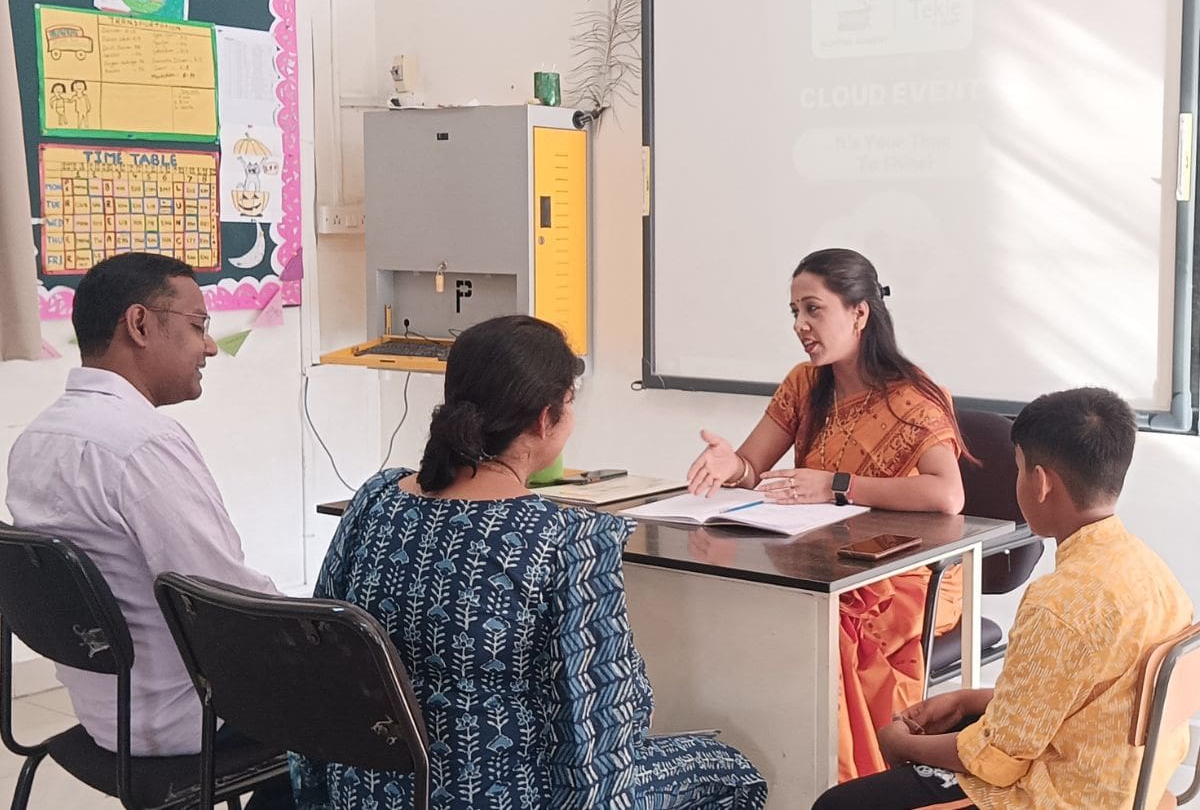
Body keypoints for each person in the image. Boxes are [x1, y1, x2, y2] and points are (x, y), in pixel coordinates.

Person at [292, 315, 767, 810]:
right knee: (734, 773)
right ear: (545, 419)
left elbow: (321, 649)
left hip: (363, 792)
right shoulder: (568, 538)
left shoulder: (375, 498)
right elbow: (602, 729)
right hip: (509, 795)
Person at [811, 387, 1193, 810]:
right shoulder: (1152, 573)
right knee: (963, 726)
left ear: (1041, 482)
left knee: (837, 804)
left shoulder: (1057, 604)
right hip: (1130, 781)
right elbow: (1096, 699)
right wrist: (970, 700)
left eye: (1018, 469)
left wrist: (901, 744)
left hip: (1059, 798)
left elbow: (997, 762)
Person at [5, 252, 293, 808]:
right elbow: (224, 600)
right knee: (372, 711)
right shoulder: (142, 444)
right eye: (198, 326)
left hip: (104, 712)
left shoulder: (37, 438)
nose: (209, 347)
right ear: (139, 324)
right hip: (182, 721)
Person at [687, 248, 967, 781]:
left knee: (826, 625)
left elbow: (946, 495)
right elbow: (754, 465)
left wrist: (837, 487)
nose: (800, 325)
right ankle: (776, 763)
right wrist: (731, 466)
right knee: (759, 605)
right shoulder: (804, 384)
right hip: (822, 560)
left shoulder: (913, 399)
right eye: (794, 312)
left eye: (813, 309)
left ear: (859, 312)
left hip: (905, 574)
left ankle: (844, 780)